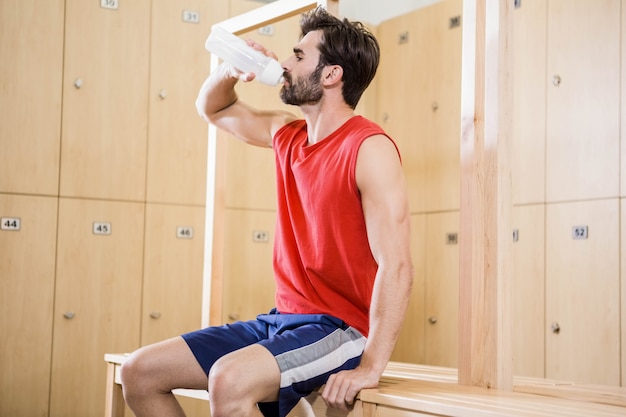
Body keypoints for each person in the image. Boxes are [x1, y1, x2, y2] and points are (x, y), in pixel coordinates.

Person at [120, 7, 413, 417]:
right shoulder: (286, 134)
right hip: (281, 320)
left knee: (229, 379)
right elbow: (213, 109)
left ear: (331, 75)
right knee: (139, 372)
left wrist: (371, 366)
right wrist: (232, 70)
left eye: (298, 55)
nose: (285, 63)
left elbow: (396, 265)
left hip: (340, 329)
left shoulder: (369, 148)